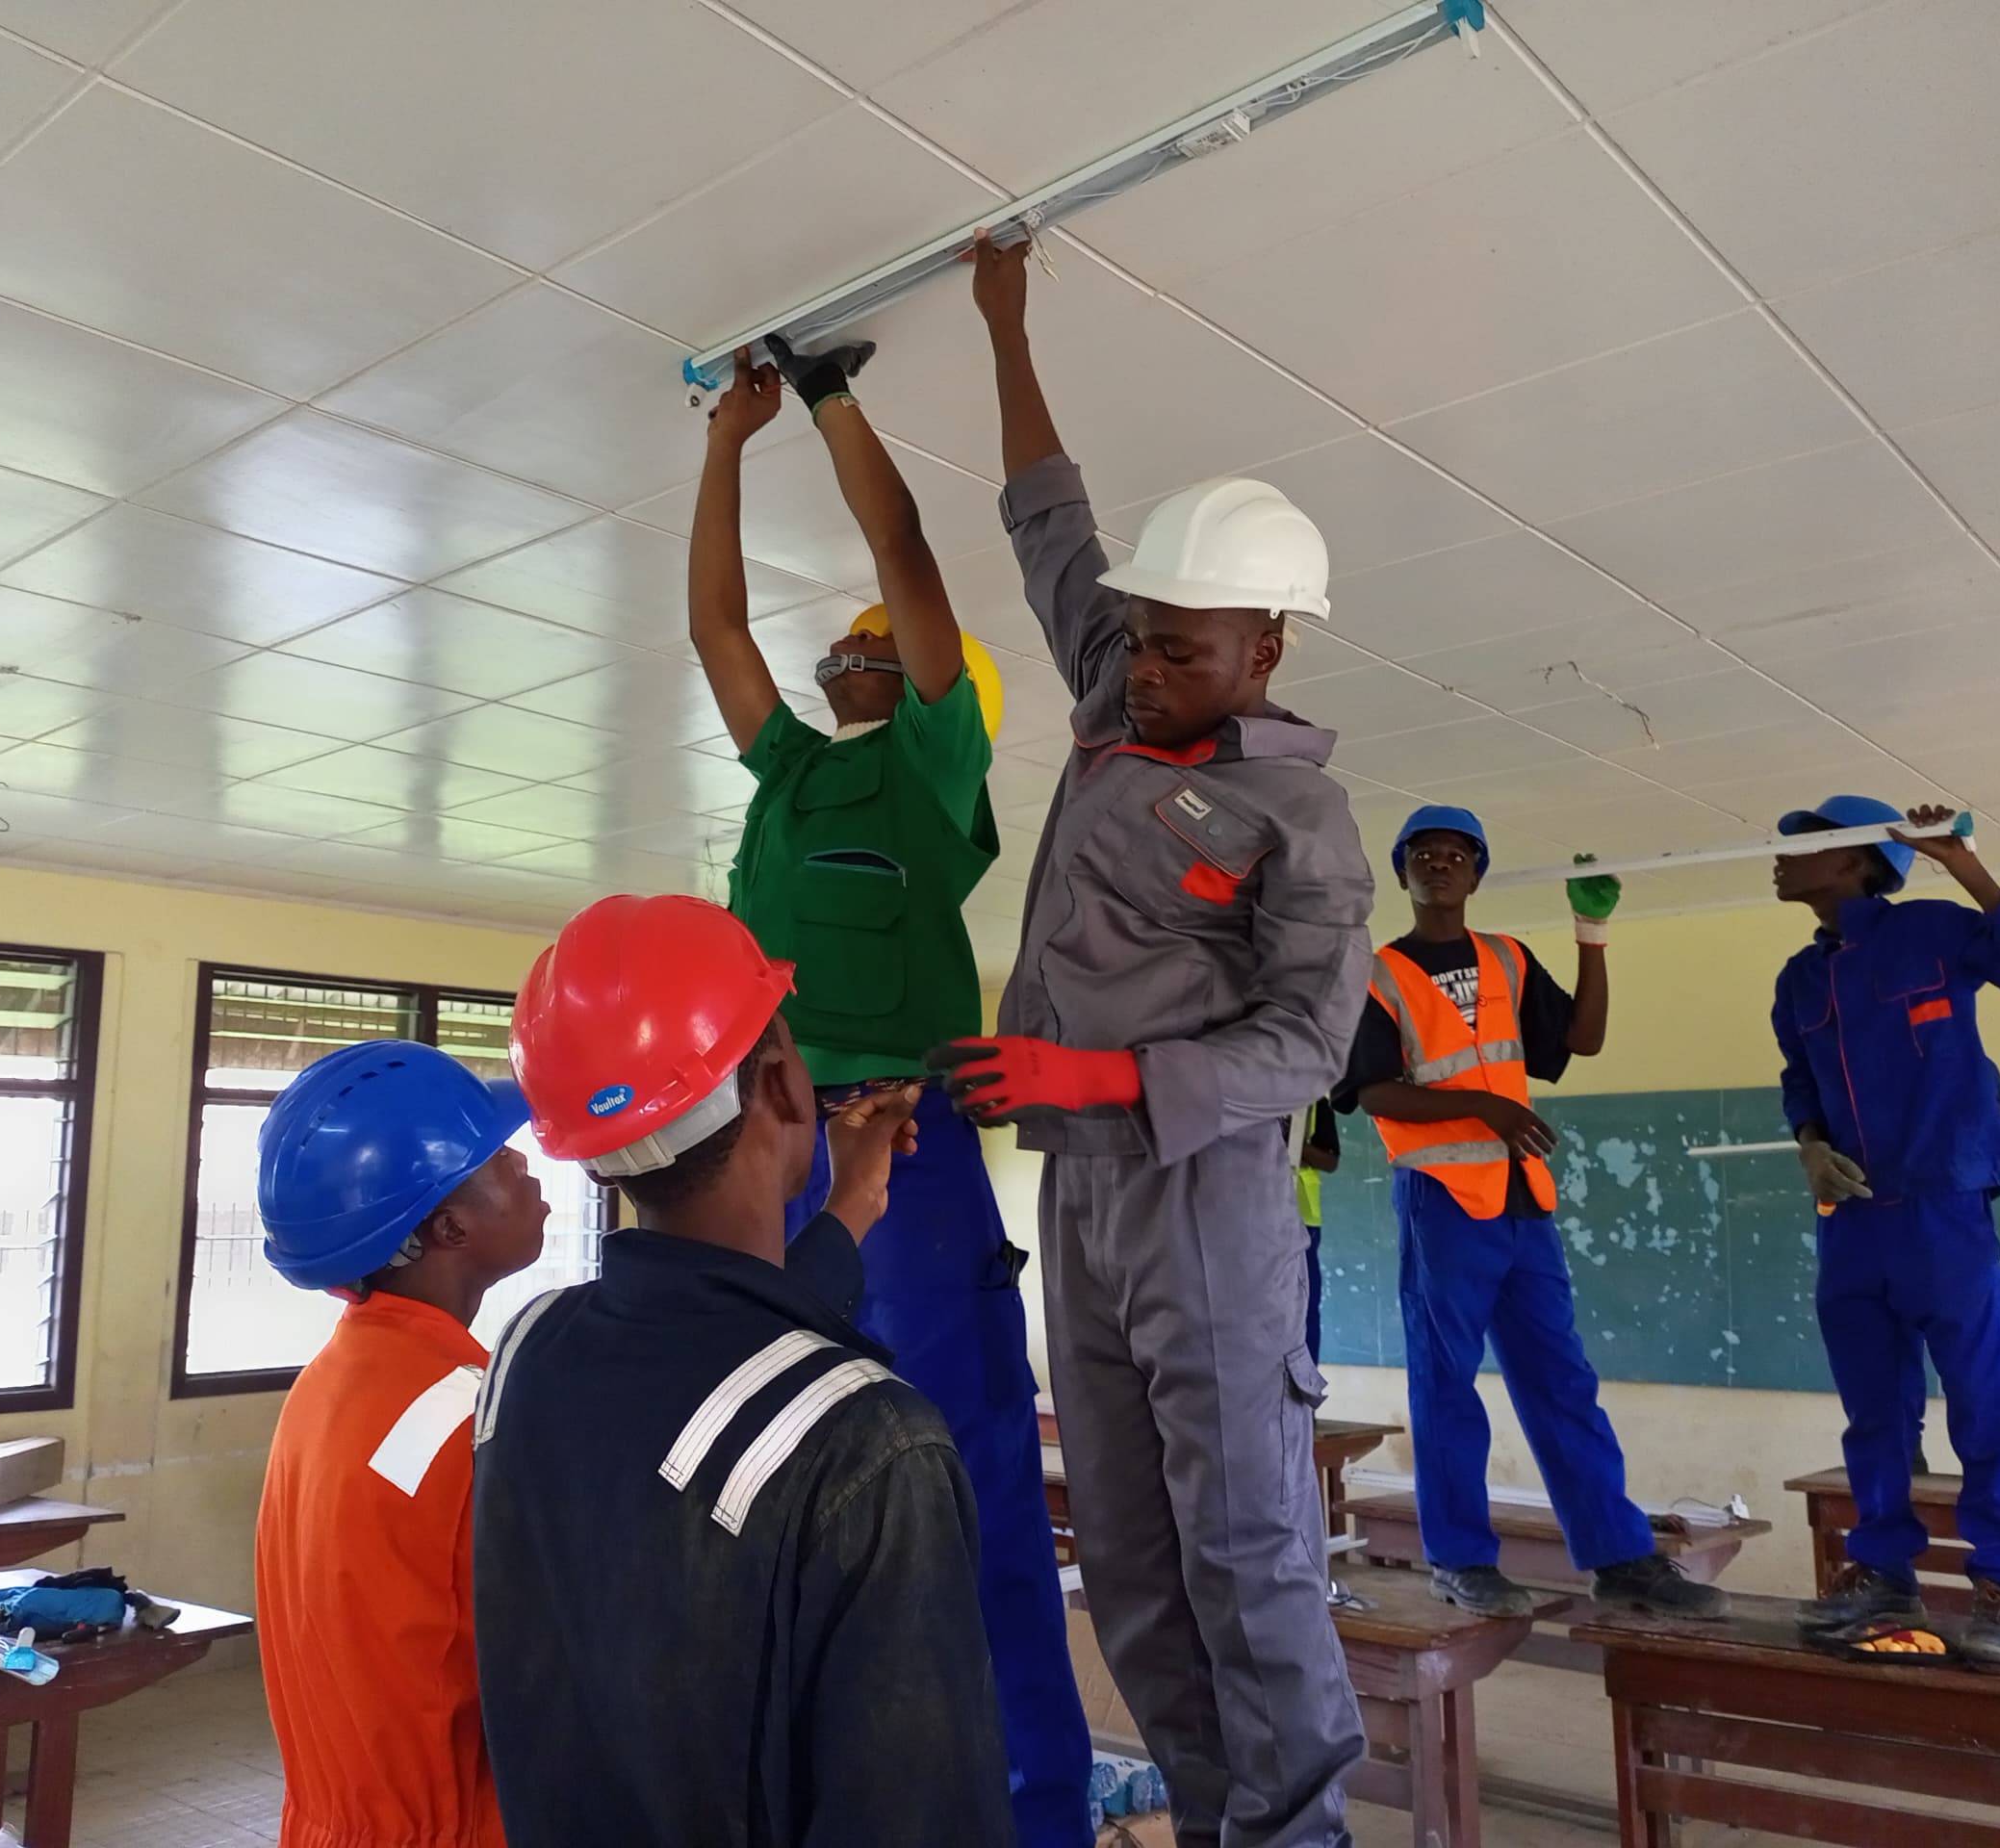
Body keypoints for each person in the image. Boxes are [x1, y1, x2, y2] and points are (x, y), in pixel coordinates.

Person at [929, 232, 1369, 1848]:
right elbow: (1053, 520)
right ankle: (1211, 1818)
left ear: (1270, 650)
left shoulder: (1299, 819)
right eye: (1147, 634)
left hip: (1208, 1195)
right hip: (1086, 1198)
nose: (1150, 667)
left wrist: (1092, 1075)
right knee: (1120, 1547)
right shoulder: (1125, 684)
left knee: (1245, 1544)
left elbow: (1307, 1046)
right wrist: (1007, 318)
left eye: (1191, 647)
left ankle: (1297, 1831)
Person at [689, 342, 1091, 1845]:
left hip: (902, 1149)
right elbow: (716, 622)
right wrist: (727, 441)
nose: (845, 644)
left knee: (963, 1468)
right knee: (765, 1460)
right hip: (760, 1142)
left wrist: (832, 398)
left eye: (874, 639)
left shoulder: (934, 771)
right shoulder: (790, 775)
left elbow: (906, 553)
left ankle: (1030, 1811)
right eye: (852, 638)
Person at [477, 893, 1016, 1848]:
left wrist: (852, 1202)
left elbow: (722, 1347)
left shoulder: (529, 1352)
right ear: (778, 1084)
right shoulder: (874, 1448)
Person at [1336, 808, 1727, 1622]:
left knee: (1563, 1383)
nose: (1439, 865)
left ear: (1477, 874)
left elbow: (1580, 1041)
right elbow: (1371, 1091)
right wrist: (1484, 1107)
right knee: (1446, 1385)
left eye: (1456, 855)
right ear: (1403, 871)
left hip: (1522, 1200)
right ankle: (1461, 1559)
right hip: (1442, 1200)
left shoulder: (1508, 960)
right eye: (1423, 855)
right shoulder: (1376, 974)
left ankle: (1620, 1557)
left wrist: (1591, 934)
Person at [1770, 797, 2000, 1664]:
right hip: (1853, 1217)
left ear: (1861, 862)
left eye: (1808, 845)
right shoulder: (1799, 977)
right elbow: (1800, 1083)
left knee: (1984, 1400)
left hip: (1944, 1208)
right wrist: (1810, 1148)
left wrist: (1962, 864)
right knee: (1874, 1410)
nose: (1783, 857)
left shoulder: (1933, 930)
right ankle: (1884, 1574)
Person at [251, 1040, 550, 1848]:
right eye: (497, 1160)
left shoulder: (334, 1381)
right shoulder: (477, 1415)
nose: (525, 1166)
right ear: (450, 1225)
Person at [1295, 1099, 1340, 1358]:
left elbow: (1330, 1161)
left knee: (1305, 1305)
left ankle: (1306, 1384)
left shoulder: (1313, 1104)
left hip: (1303, 1219)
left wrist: (1293, 1146)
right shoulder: (1251, 1093)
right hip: (1252, 1216)